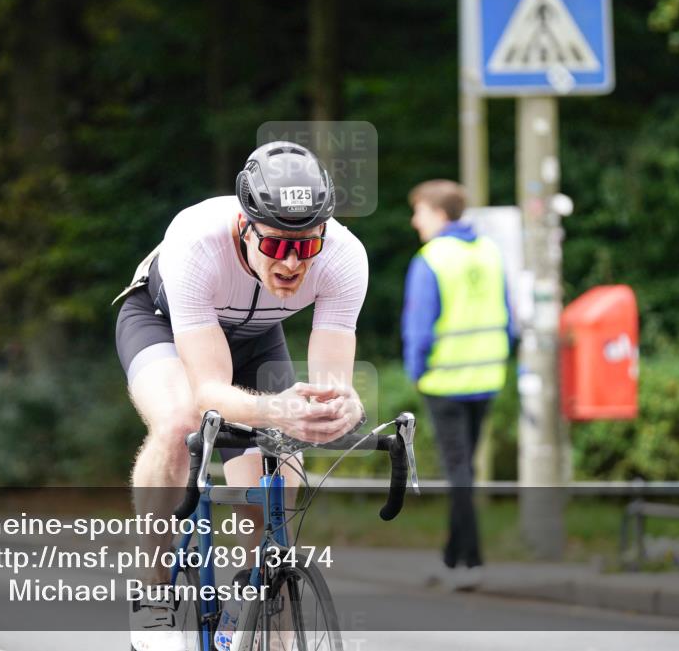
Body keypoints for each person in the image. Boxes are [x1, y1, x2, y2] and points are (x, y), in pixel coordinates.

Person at [114, 141, 368, 651]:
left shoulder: (345, 257)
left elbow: (330, 384)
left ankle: (259, 599)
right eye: (275, 245)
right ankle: (153, 593)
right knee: (179, 422)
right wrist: (275, 409)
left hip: (256, 340)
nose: (293, 263)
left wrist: (342, 406)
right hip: (162, 325)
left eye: (307, 246)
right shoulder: (196, 240)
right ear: (244, 227)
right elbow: (209, 390)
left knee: (283, 463)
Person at [400, 179, 512, 590]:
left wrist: (416, 372)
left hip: (445, 381)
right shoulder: (489, 251)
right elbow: (509, 316)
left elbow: (419, 328)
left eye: (421, 212)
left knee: (458, 472)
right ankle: (453, 558)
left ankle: (471, 563)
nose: (416, 221)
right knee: (462, 471)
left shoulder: (432, 258)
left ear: (440, 214)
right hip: (487, 377)